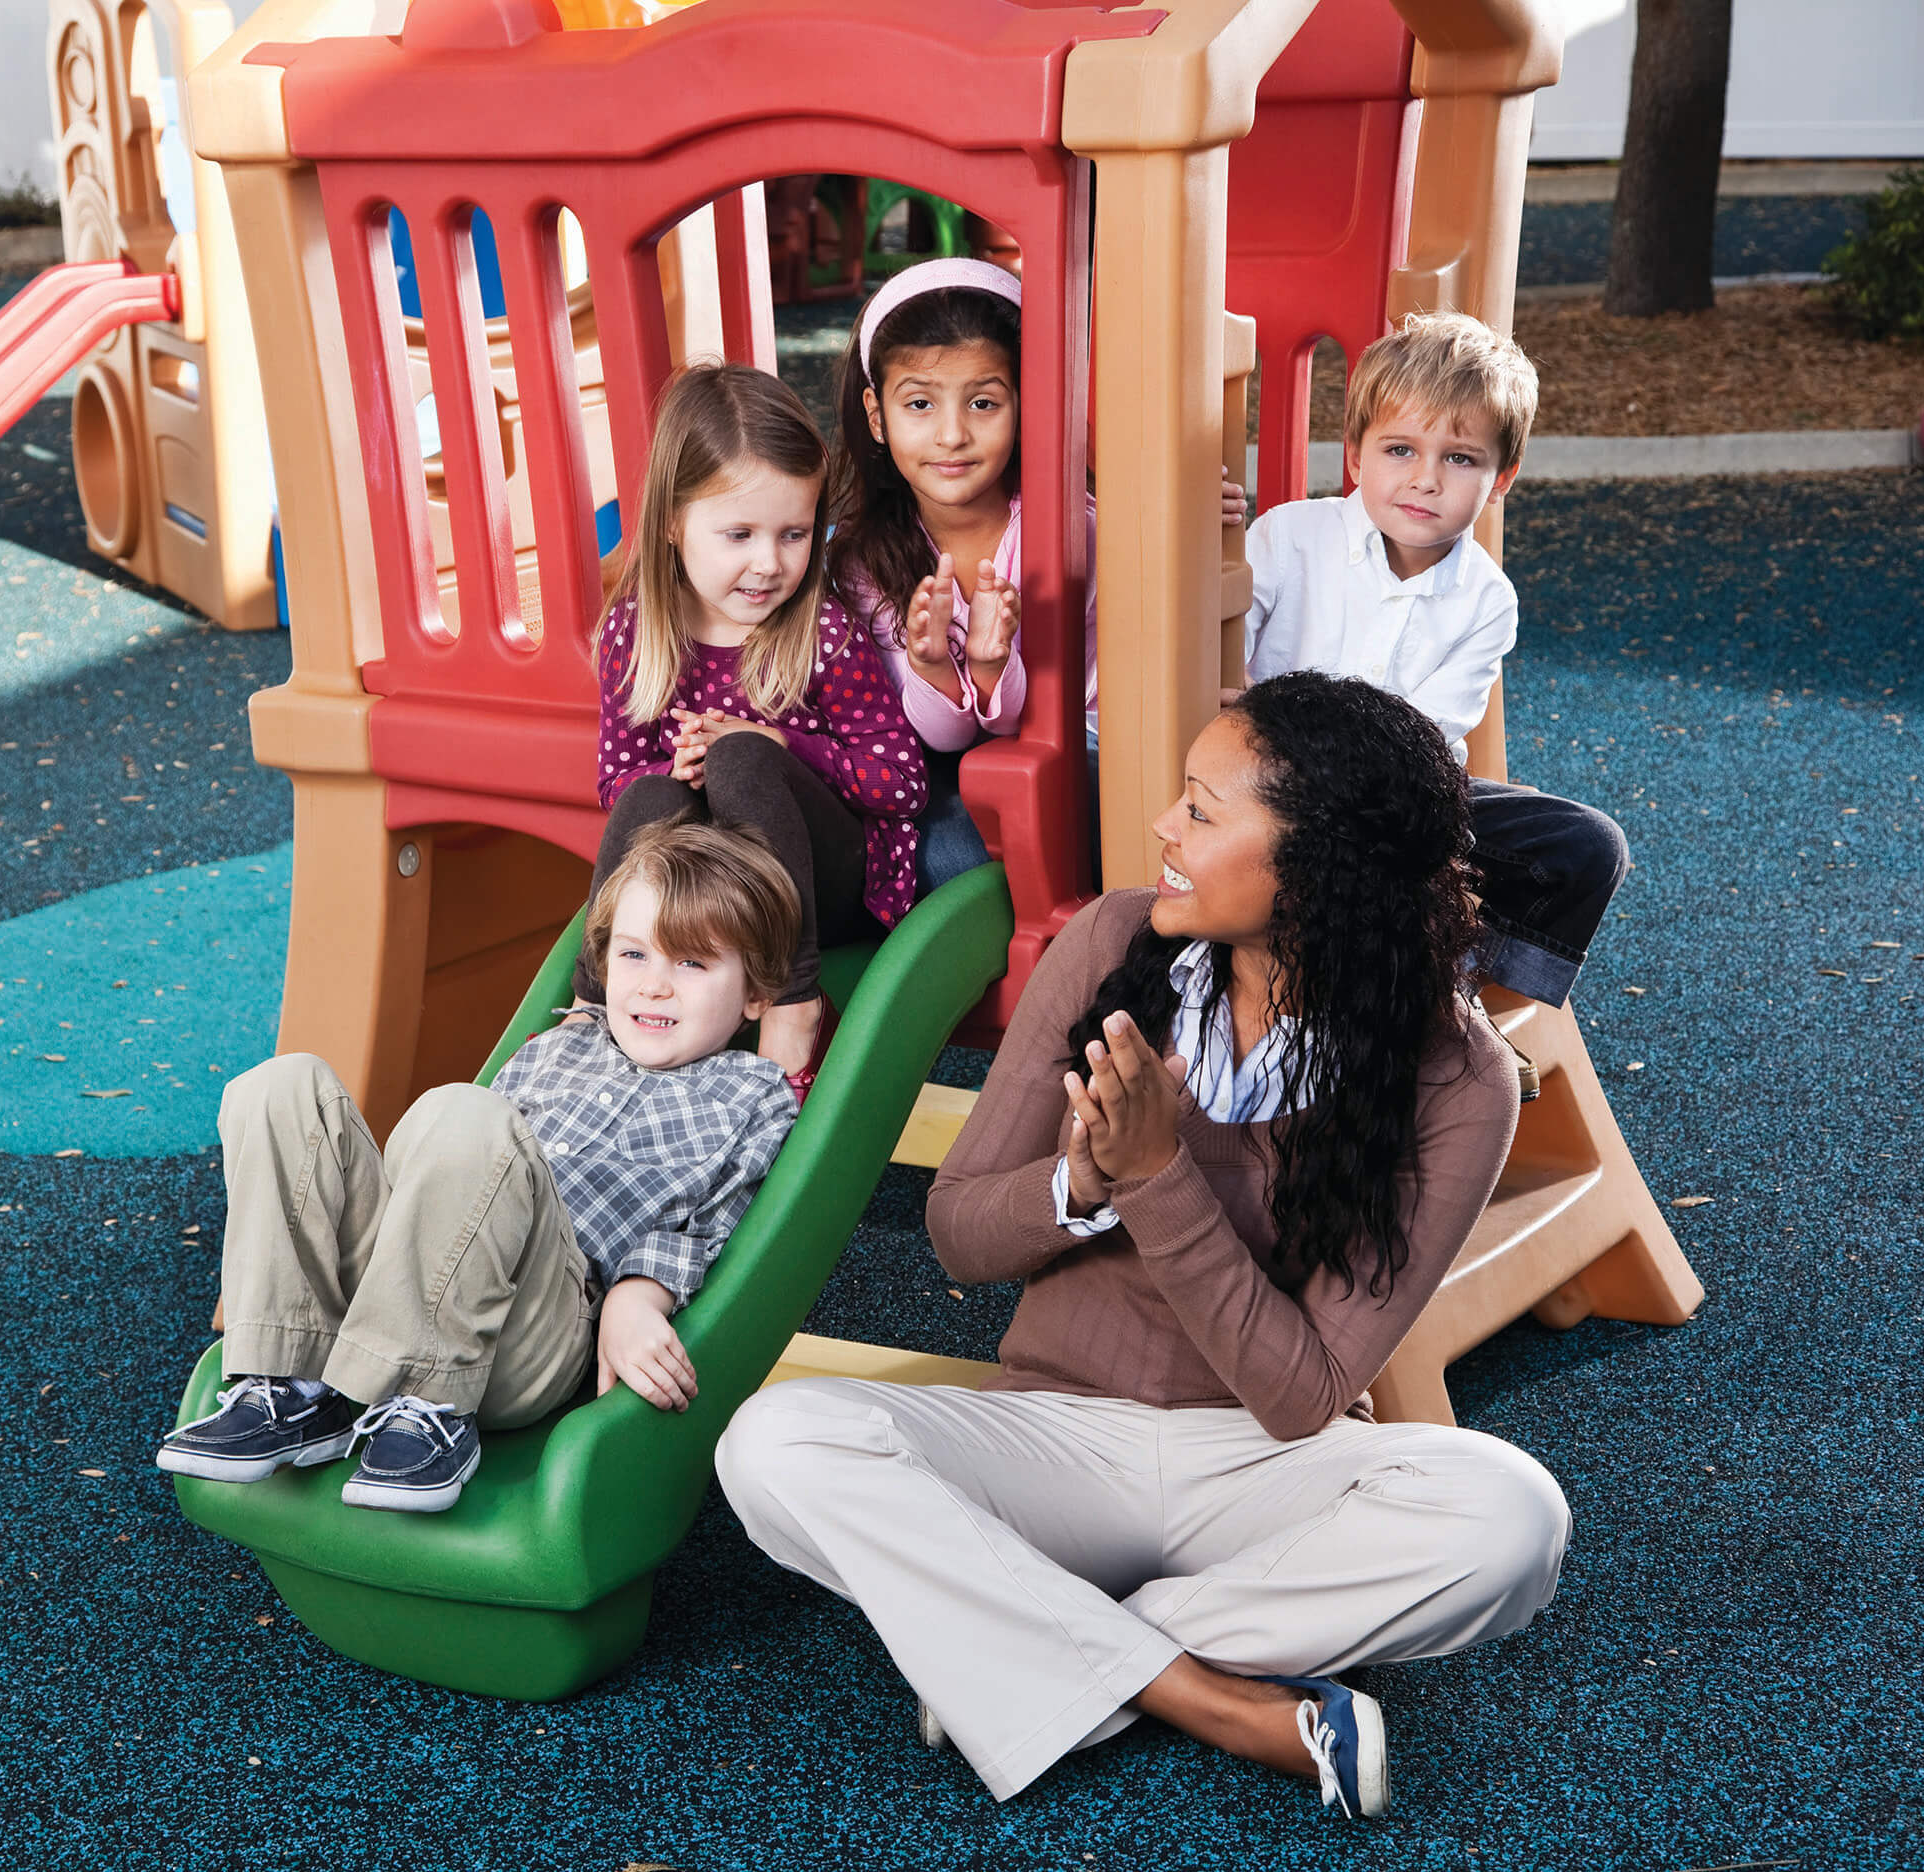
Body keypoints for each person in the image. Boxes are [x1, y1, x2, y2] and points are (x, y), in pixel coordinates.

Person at [716, 672, 1570, 1819]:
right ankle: (1214, 1699)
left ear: (1320, 867)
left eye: (1204, 811)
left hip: (1265, 1469)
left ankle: (1020, 1645)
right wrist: (1080, 1180)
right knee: (773, 1444)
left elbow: (1303, 1394)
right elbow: (959, 1237)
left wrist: (1161, 1176)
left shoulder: (1458, 1076)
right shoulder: (1115, 941)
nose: (1165, 829)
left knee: (1515, 1520)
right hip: (1052, 1438)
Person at [159, 821, 801, 1515]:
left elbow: (719, 1225)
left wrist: (636, 1295)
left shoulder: (751, 1092)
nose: (654, 986)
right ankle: (287, 1387)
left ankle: (433, 1411)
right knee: (282, 1087)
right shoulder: (554, 1047)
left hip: (529, 1332)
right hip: (400, 1288)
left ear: (758, 994)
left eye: (693, 964)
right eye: (634, 954)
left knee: (468, 1116)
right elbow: (452, 1179)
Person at [1242, 309, 1631, 1074]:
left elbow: (1421, 742)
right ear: (1355, 455)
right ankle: (1422, 1005)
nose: (1424, 478)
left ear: (1500, 481)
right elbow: (1216, 648)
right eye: (1399, 449)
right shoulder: (1289, 539)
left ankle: (1452, 998)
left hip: (1401, 802)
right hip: (1271, 790)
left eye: (1459, 458)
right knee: (1380, 857)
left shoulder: (1487, 600)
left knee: (1587, 844)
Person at [827, 256, 1243, 889]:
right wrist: (938, 671)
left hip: (1091, 746)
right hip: (961, 765)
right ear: (877, 414)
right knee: (941, 856)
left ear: (1025, 405)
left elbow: (1156, 612)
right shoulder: (868, 564)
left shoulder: (1071, 527)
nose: (951, 435)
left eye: (984, 402)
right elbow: (936, 741)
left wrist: (1176, 517)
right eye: (918, 404)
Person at [581, 362, 927, 1099]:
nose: (769, 564)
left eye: (795, 533)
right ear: (674, 523)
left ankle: (798, 1000)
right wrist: (676, 772)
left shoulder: (822, 632)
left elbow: (901, 779)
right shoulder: (634, 634)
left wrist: (780, 744)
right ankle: (588, 1003)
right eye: (738, 533)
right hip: (712, 894)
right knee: (647, 799)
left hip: (823, 891)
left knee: (742, 755)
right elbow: (617, 783)